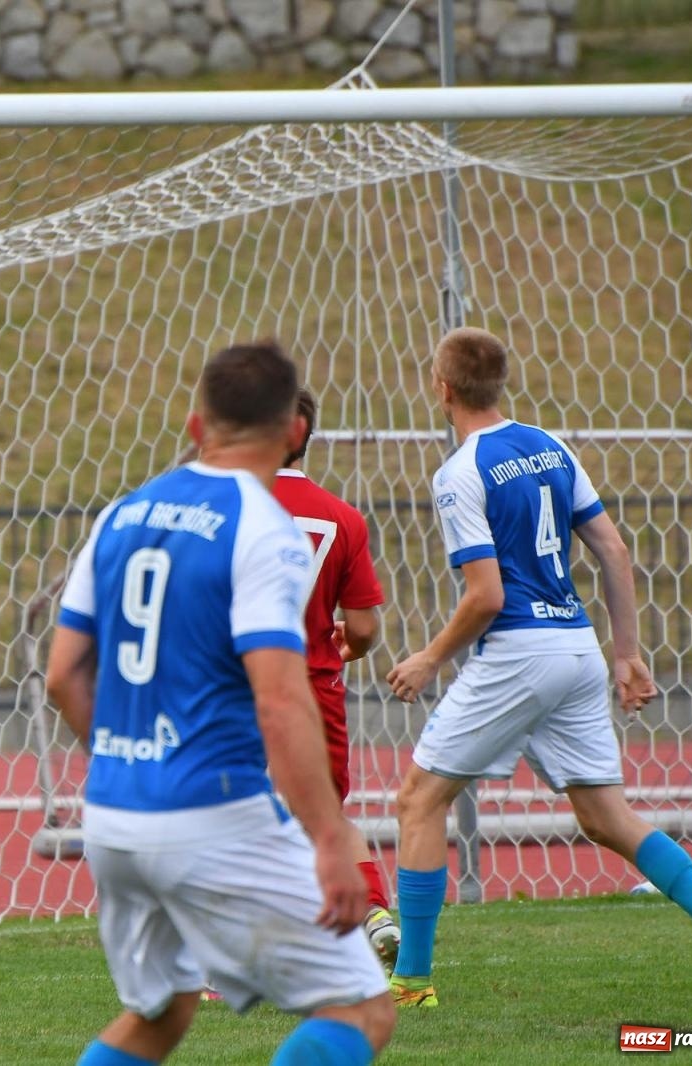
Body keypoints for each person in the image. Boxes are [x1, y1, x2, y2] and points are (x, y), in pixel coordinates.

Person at [385, 326, 692, 1009]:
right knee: (606, 818)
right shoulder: (552, 447)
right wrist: (626, 654)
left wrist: (428, 657)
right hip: (576, 647)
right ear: (499, 384)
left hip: (519, 652)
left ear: (441, 388)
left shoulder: (460, 474)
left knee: (419, 799)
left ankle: (412, 983)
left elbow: (486, 596)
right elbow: (614, 552)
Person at [46, 342, 395, 1065]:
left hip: (113, 813)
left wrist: (127, 756)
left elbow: (62, 676)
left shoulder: (123, 513)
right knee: (363, 1008)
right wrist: (333, 840)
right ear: (295, 431)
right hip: (211, 815)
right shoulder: (264, 529)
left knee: (161, 1013)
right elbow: (280, 699)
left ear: (194, 424)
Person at [270, 387, 398, 966]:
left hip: (238, 689)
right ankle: (375, 910)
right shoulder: (342, 517)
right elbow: (366, 629)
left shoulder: (228, 508)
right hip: (315, 688)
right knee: (325, 814)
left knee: (228, 819)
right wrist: (343, 644)